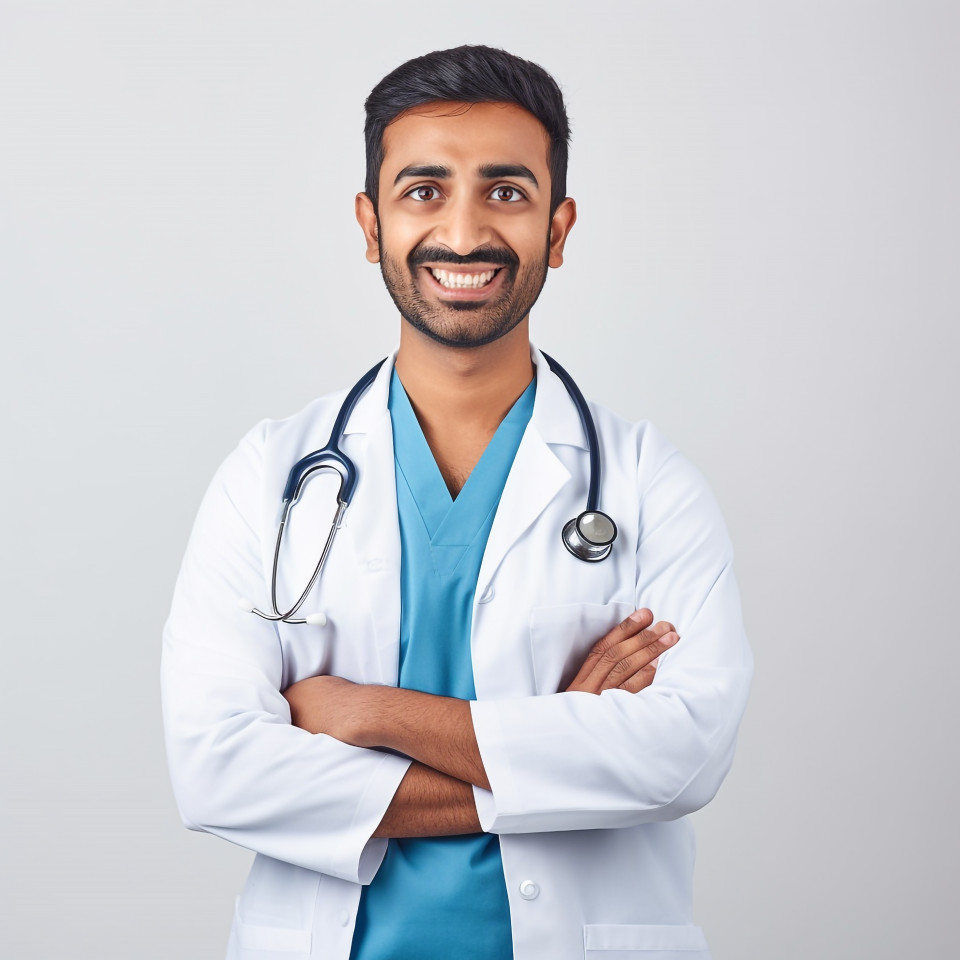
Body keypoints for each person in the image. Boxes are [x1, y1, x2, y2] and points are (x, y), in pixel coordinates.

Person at [162, 44, 752, 960]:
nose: (465, 232)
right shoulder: (269, 474)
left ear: (558, 229)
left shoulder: (648, 481)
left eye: (506, 192)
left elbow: (680, 754)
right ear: (372, 223)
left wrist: (368, 712)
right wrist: (559, 745)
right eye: (424, 190)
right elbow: (216, 770)